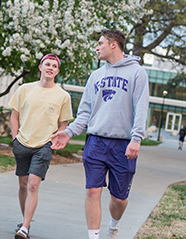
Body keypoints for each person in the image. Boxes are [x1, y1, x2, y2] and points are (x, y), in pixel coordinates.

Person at [51, 29, 149, 239]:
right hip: (95, 142)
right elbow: (85, 112)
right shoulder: (96, 75)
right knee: (92, 190)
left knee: (119, 198)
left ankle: (114, 225)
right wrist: (68, 132)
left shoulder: (137, 73)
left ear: (114, 44)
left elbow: (141, 108)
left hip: (123, 145)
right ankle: (93, 236)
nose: (97, 47)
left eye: (100, 43)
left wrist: (136, 138)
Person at [9, 54, 73, 239]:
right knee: (22, 186)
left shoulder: (63, 96)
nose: (50, 67)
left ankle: (25, 228)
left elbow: (63, 124)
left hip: (44, 146)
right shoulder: (24, 89)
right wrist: (15, 138)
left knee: (33, 186)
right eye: (47, 64)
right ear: (40, 67)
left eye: (54, 65)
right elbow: (14, 115)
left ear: (57, 71)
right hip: (22, 143)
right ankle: (24, 221)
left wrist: (55, 141)